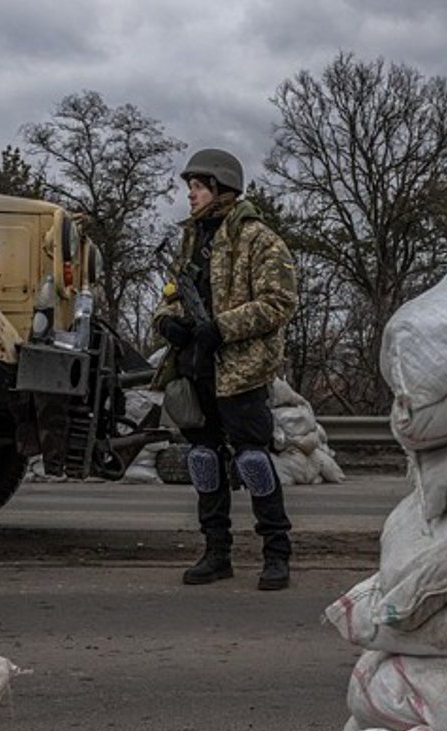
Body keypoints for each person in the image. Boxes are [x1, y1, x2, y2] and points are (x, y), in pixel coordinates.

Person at [151, 148, 299, 591]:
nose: (190, 196)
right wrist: (166, 322)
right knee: (203, 460)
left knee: (253, 460)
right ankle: (216, 554)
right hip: (196, 367)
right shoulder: (189, 240)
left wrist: (222, 328)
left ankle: (277, 554)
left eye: (197, 187)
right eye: (191, 188)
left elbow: (279, 302)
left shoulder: (259, 239)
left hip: (240, 370)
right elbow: (171, 293)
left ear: (220, 188)